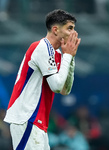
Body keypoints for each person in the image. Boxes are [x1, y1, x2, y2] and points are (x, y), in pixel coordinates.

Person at [3, 9, 81, 150]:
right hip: (27, 119)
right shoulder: (42, 48)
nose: (73, 34)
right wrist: (68, 56)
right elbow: (56, 86)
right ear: (55, 30)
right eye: (70, 28)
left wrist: (71, 57)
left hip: (37, 122)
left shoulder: (56, 53)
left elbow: (65, 90)